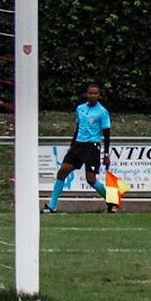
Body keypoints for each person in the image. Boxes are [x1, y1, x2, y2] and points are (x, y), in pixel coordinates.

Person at [47, 84, 115, 213]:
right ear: (86, 94)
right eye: (90, 93)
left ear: (99, 95)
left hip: (91, 147)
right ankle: (51, 206)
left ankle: (111, 202)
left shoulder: (102, 112)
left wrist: (106, 154)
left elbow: (106, 134)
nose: (93, 96)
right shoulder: (80, 108)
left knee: (91, 179)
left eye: (95, 93)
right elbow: (78, 128)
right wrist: (72, 145)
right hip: (78, 146)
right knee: (62, 172)